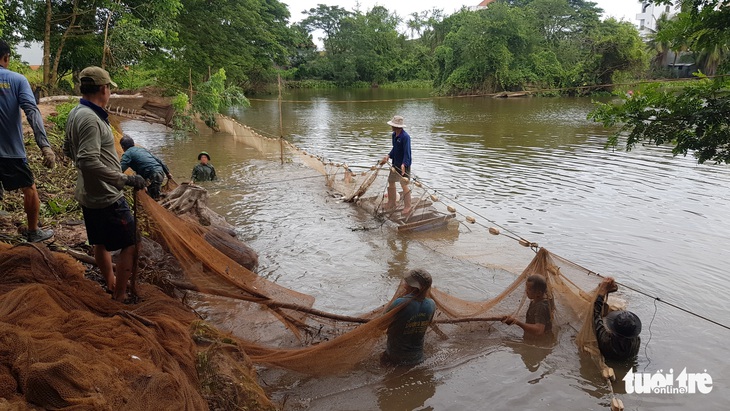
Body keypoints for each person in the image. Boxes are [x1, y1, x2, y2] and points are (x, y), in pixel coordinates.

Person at [63, 66, 146, 302]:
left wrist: (89, 175)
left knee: (100, 241)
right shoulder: (90, 119)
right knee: (131, 243)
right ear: (103, 89)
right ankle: (120, 295)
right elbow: (87, 160)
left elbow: (68, 150)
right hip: (107, 195)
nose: (109, 92)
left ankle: (110, 283)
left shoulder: (76, 112)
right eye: (109, 88)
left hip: (89, 192)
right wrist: (123, 179)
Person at [0, 40, 56, 242]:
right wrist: (45, 146)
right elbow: (32, 111)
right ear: (6, 58)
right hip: (11, 152)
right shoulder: (17, 80)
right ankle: (33, 232)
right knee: (29, 188)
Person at [382, 269, 436, 366]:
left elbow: (381, 324)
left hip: (395, 358)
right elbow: (429, 322)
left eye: (406, 281)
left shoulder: (400, 303)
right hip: (418, 358)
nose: (404, 283)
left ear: (412, 286)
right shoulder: (431, 304)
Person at [593, 277, 641, 361]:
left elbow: (596, 315)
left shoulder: (606, 341)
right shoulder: (636, 340)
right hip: (627, 358)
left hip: (609, 355)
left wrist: (601, 293)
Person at [119, 135, 172, 200]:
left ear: (122, 147)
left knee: (153, 199)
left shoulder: (127, 154)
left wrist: (116, 178)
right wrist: (168, 173)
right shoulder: (142, 150)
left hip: (153, 175)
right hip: (160, 172)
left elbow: (120, 169)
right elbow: (158, 160)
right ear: (133, 144)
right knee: (153, 193)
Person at [503, 274, 553, 341]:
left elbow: (539, 331)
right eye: (526, 287)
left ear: (539, 293)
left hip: (538, 345)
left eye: (529, 289)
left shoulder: (541, 306)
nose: (526, 291)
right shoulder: (536, 299)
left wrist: (516, 322)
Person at [379, 115, 412, 214]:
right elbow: (395, 148)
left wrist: (404, 164)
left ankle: (408, 206)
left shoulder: (405, 137)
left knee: (404, 185)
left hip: (403, 165)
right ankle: (391, 202)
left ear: (398, 126)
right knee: (391, 181)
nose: (391, 127)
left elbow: (407, 152)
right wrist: (388, 155)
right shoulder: (394, 135)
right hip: (395, 163)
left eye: (393, 125)